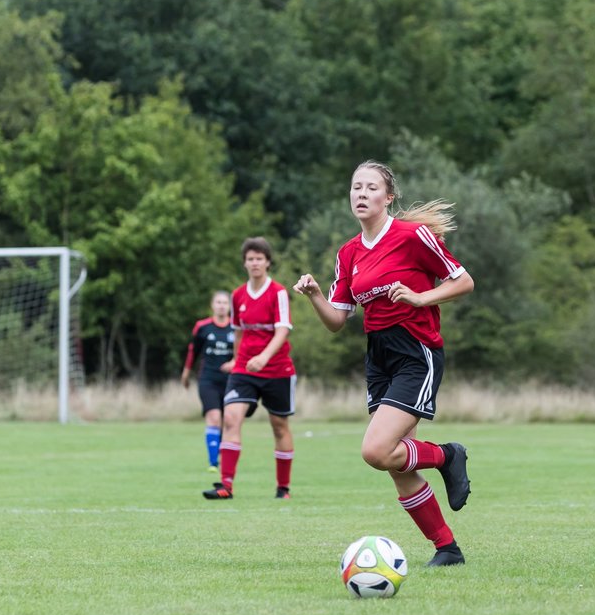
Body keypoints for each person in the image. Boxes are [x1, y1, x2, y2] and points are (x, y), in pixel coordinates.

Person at [293, 160, 475, 567]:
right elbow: (338, 322)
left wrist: (419, 298)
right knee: (396, 462)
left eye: (370, 187)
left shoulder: (413, 236)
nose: (361, 193)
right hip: (378, 357)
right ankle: (447, 549)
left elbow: (463, 281)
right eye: (355, 187)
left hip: (416, 351)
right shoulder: (348, 252)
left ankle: (447, 455)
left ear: (388, 197)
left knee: (377, 450)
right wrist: (316, 296)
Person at [203, 238, 296, 501]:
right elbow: (238, 332)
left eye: (259, 258)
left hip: (277, 369)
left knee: (279, 426)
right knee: (231, 417)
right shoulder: (237, 295)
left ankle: (283, 488)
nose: (255, 263)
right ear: (245, 263)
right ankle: (225, 486)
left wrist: (265, 357)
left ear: (267, 262)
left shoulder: (277, 292)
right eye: (250, 258)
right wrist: (236, 360)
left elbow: (282, 331)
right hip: (244, 368)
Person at [181, 290, 235, 477]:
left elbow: (244, 351)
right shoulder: (202, 327)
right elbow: (192, 351)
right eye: (218, 302)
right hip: (208, 380)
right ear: (212, 305)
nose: (221, 306)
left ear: (229, 306)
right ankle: (213, 462)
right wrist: (186, 373)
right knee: (213, 417)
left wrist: (235, 362)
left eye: (224, 303)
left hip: (231, 381)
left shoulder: (236, 328)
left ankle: (222, 451)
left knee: (228, 421)